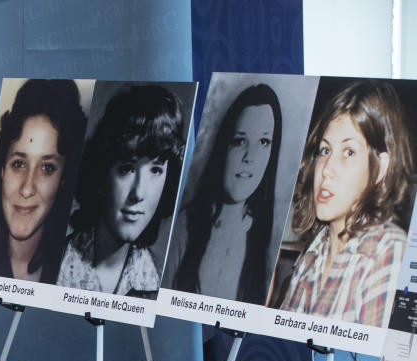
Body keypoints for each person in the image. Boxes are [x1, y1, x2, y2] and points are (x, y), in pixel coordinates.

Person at [279, 79, 414, 327]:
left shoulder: (388, 254)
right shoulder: (312, 254)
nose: (327, 170)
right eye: (325, 150)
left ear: (380, 169)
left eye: (349, 152)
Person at [57, 85, 185, 298]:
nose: (139, 193)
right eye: (127, 168)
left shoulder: (160, 285)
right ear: (101, 172)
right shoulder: (54, 265)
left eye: (156, 170)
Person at [163, 83, 282, 304]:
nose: (250, 157)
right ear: (223, 147)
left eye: (264, 142)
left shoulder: (266, 242)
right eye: (240, 141)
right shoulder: (183, 229)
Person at [0, 79, 86, 283]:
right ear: (2, 169)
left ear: (63, 179)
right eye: (19, 164)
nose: (27, 188)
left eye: (47, 168)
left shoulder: (76, 272)